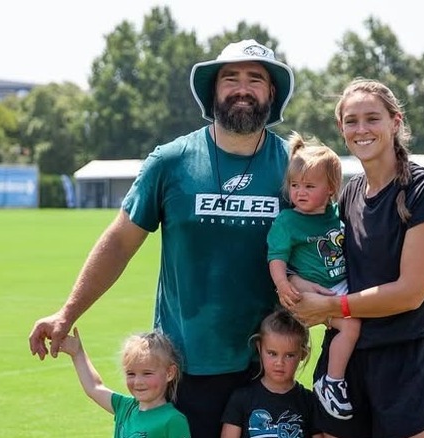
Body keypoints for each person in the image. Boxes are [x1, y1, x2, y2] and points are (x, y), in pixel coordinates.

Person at [28, 39, 295, 438]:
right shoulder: (171, 162)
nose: (242, 88)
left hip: (266, 369)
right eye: (230, 78)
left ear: (271, 93)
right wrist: (67, 313)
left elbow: (322, 249)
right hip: (183, 370)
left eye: (255, 79)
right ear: (213, 91)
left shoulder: (295, 167)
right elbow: (119, 243)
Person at [285, 78, 424, 438]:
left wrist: (332, 308)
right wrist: (302, 290)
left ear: (395, 122)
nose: (361, 129)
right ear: (341, 128)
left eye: (372, 118)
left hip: (405, 367)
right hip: (344, 368)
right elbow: (319, 262)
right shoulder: (347, 196)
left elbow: (410, 293)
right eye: (351, 121)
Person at [266, 132, 360, 421]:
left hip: (338, 285)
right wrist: (283, 285)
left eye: (309, 185)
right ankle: (332, 381)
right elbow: (276, 258)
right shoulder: (288, 220)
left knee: (360, 317)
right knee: (351, 325)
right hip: (308, 294)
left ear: (331, 189)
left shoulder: (337, 214)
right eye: (294, 185)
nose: (299, 192)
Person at [58, 327, 190, 437]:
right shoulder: (124, 407)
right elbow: (94, 387)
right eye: (131, 374)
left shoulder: (173, 420)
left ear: (169, 373)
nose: (138, 382)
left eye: (147, 373)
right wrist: (77, 353)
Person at [221, 307, 322, 438]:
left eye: (289, 355)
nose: (279, 363)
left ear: (303, 354)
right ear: (259, 347)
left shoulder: (309, 401)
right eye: (272, 353)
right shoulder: (242, 398)